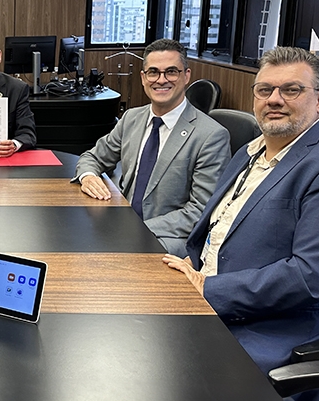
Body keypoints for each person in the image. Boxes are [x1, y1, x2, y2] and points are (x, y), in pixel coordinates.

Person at [164, 46, 319, 401]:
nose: (275, 100)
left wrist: (206, 287)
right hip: (215, 301)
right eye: (264, 90)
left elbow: (311, 277)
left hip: (279, 330)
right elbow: (211, 235)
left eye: (291, 90)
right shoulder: (250, 152)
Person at [73, 38, 231, 256]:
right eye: (153, 72)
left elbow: (200, 211)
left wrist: (136, 229)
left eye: (171, 72)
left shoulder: (211, 136)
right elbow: (93, 157)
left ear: (186, 76)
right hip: (121, 224)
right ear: (143, 78)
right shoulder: (131, 118)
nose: (161, 80)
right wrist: (89, 176)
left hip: (167, 238)